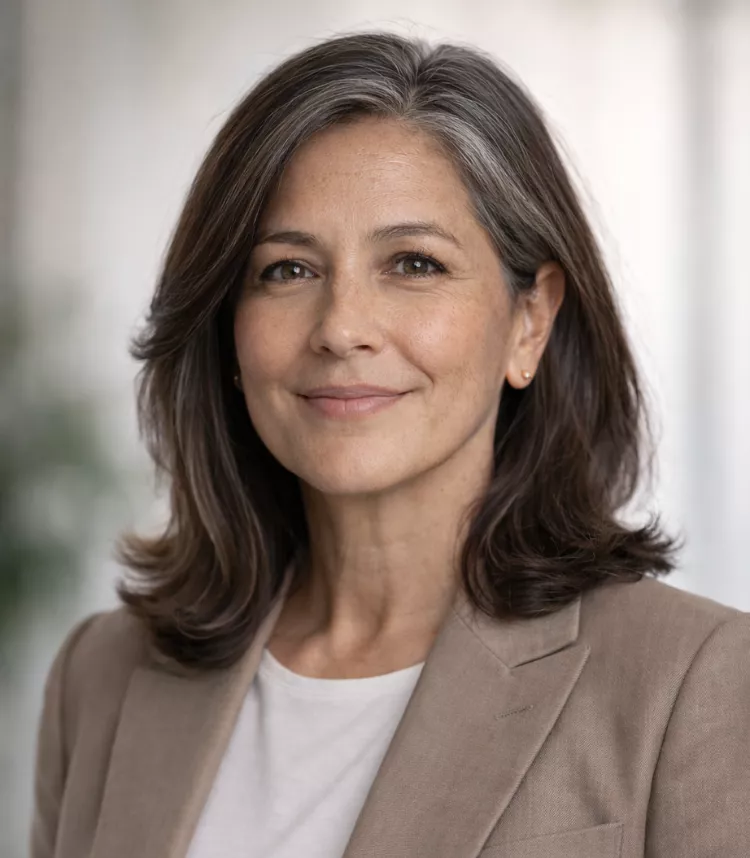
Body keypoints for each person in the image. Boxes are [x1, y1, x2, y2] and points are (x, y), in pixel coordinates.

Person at [30, 30, 749, 858]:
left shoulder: (696, 683)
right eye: (287, 271)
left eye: (413, 263)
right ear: (228, 329)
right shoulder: (101, 677)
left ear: (530, 320)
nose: (341, 328)